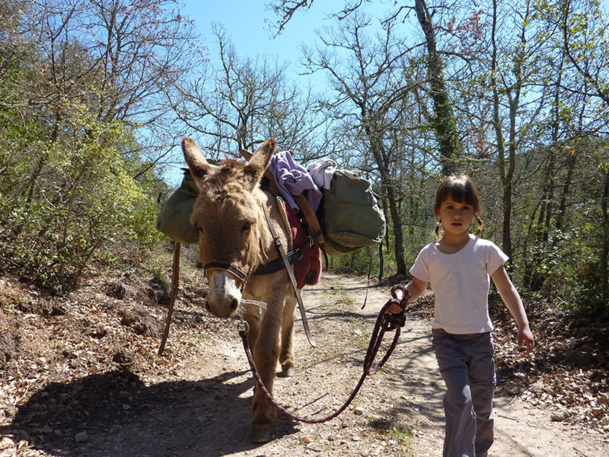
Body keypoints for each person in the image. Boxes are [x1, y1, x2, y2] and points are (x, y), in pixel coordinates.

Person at [388, 175, 535, 457]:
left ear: (475, 213)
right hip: (447, 340)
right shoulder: (429, 254)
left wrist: (523, 325)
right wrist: (401, 298)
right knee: (460, 399)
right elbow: (417, 286)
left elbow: (506, 288)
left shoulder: (485, 250)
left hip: (480, 340)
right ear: (438, 212)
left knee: (483, 408)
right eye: (450, 207)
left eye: (465, 208)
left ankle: (480, 452)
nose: (458, 214)